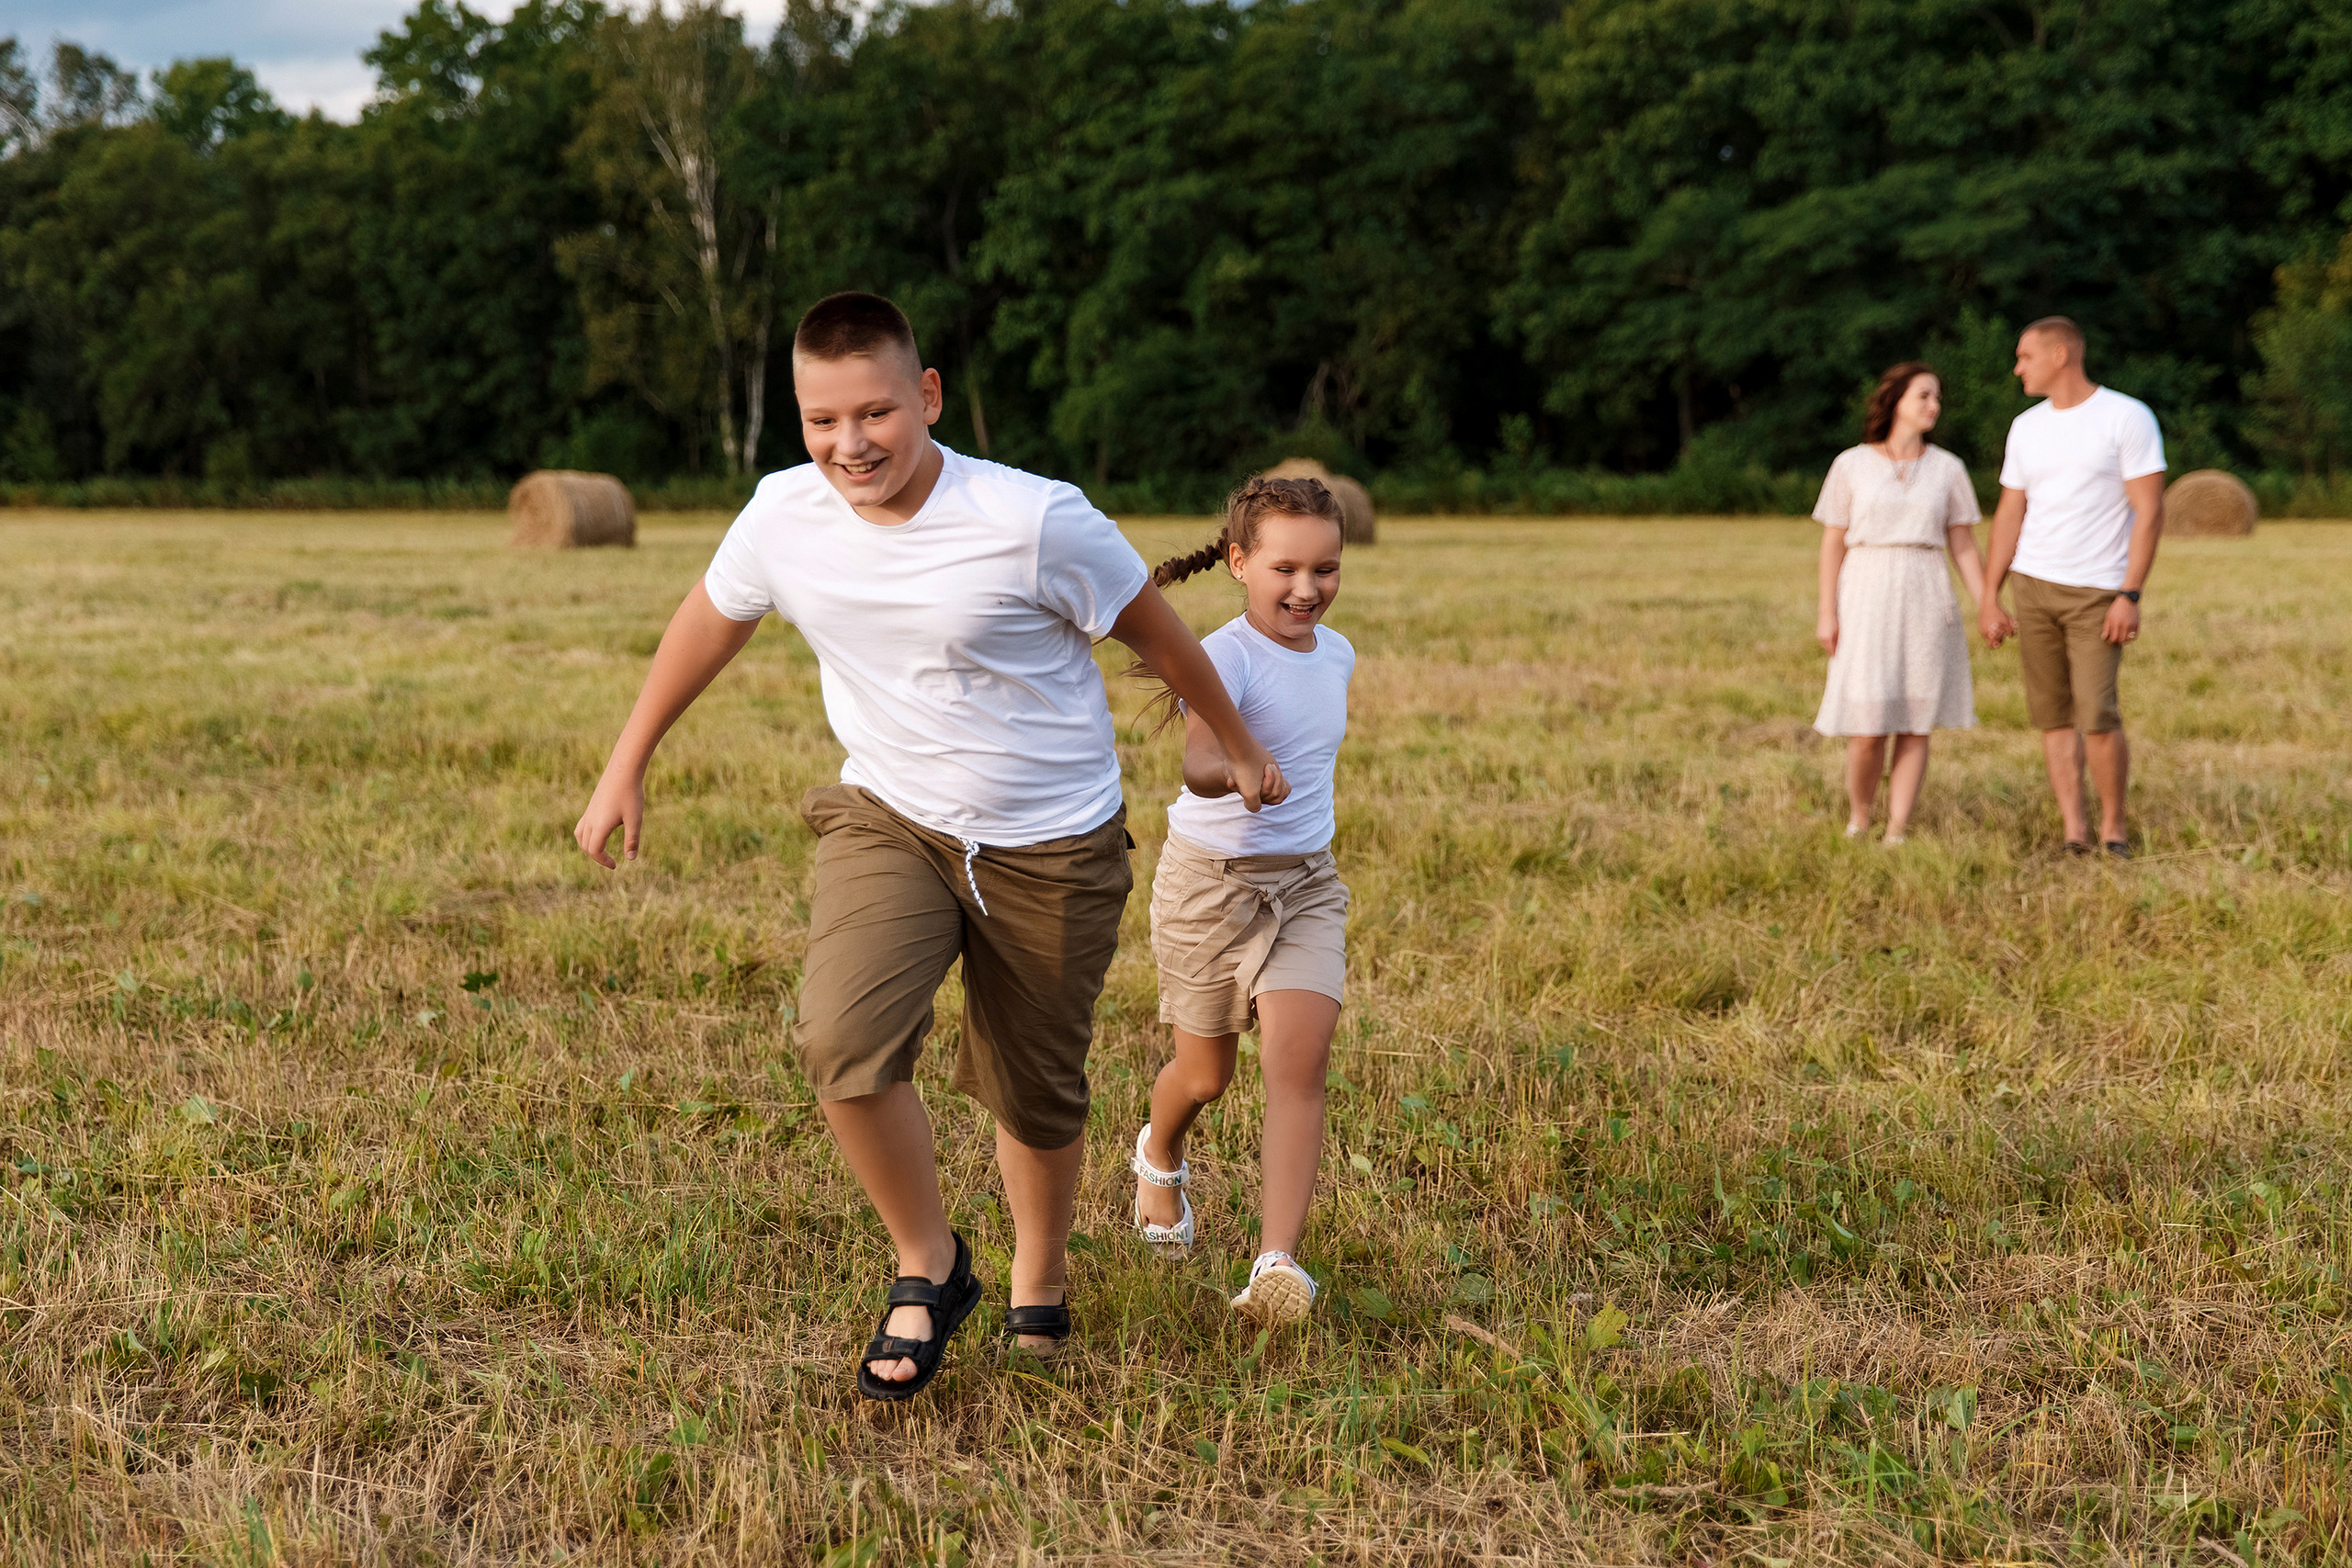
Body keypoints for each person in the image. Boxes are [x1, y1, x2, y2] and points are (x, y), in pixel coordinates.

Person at [571, 292, 1289, 1400]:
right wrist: (628, 760)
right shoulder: (780, 515)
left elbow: (1153, 628)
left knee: (1034, 1091)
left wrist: (1232, 740)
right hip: (889, 818)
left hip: (1050, 840)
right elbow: (708, 618)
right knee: (839, 1041)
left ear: (927, 396)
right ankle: (930, 1262)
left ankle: (1035, 1275)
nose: (848, 446)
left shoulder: (1034, 518)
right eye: (820, 421)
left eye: (873, 414)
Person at [1126, 477, 1353, 1326]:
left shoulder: (1337, 653)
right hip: (1210, 889)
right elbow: (1194, 763)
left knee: (1300, 1057)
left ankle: (1275, 1264)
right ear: (1238, 562)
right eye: (1286, 568)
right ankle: (1158, 1152)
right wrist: (1240, 770)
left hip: (1305, 882)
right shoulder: (1222, 655)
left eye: (1325, 568)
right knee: (1206, 1074)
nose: (1306, 588)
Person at [1977, 317, 2166, 856]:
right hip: (2032, 588)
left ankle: (2114, 830)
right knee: (2053, 715)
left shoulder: (2126, 418)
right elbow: (2010, 512)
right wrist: (1991, 596)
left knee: (2097, 714)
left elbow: (2149, 512)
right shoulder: (2025, 427)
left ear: (2060, 355)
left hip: (2097, 594)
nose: (2018, 368)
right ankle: (2074, 832)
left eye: (2025, 357)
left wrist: (2130, 594)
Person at [1813, 361, 1989, 842]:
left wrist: (1986, 602)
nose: (1934, 405)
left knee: (1915, 720)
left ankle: (1897, 829)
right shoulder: (1851, 463)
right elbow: (1833, 541)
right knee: (1868, 722)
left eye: (1937, 397)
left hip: (1926, 588)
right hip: (1866, 589)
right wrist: (1827, 612)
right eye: (1924, 396)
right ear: (1896, 402)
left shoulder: (1948, 468)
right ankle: (1859, 818)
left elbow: (1964, 545)